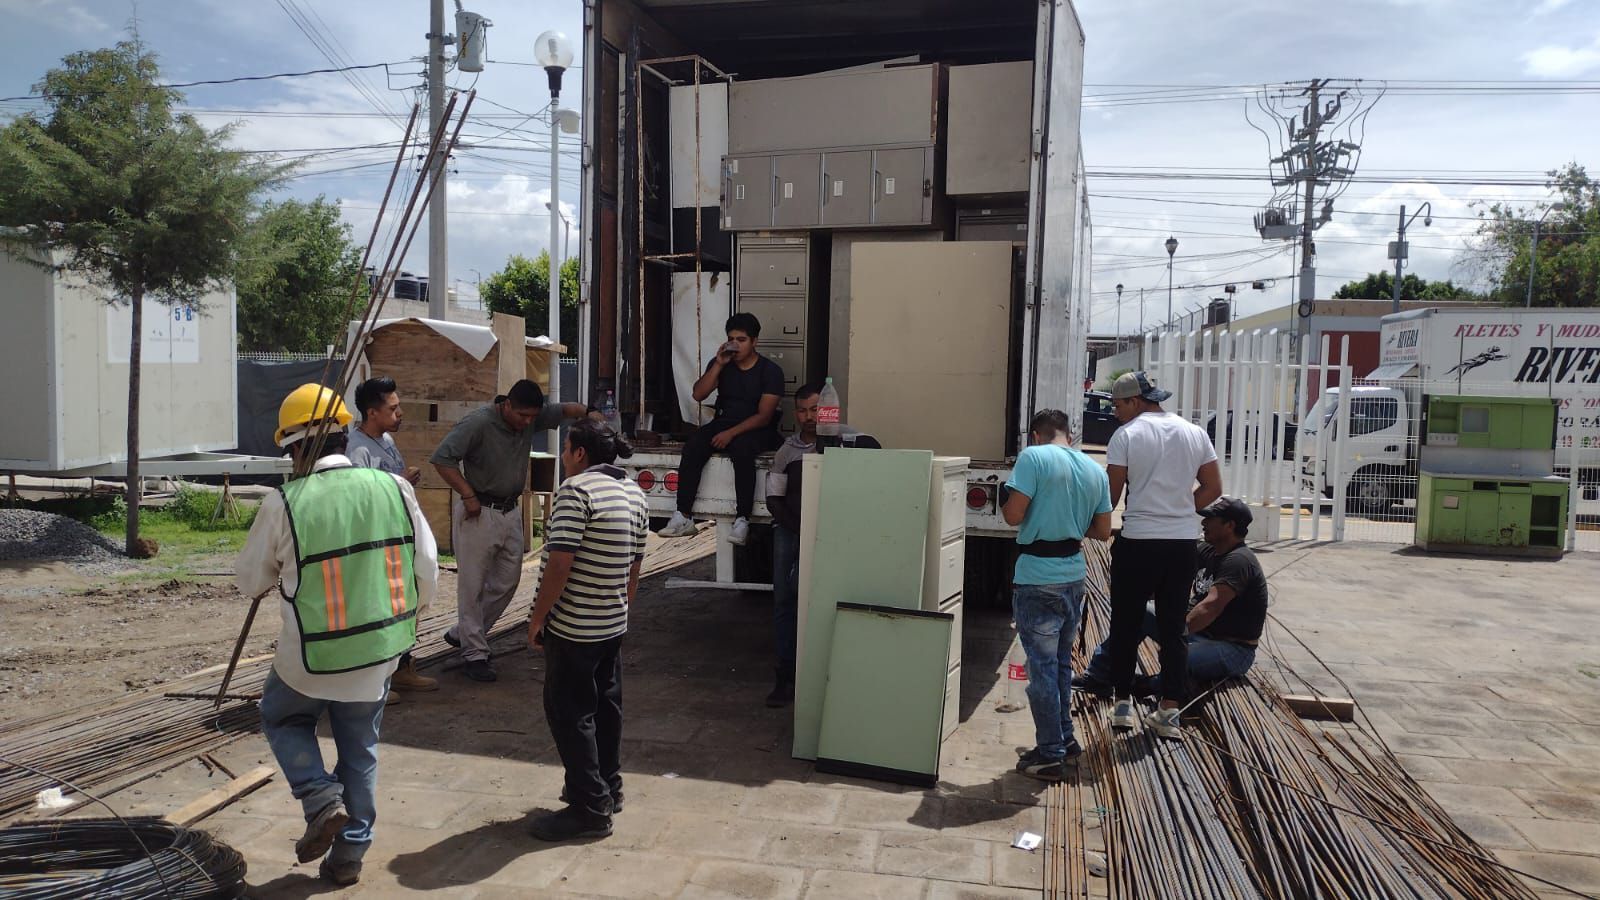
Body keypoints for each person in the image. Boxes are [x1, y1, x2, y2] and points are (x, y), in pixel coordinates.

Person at [237, 383, 438, 887]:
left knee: (281, 717)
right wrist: (398, 631)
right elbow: (428, 572)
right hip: (377, 655)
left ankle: (320, 798)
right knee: (360, 752)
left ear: (293, 448)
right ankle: (348, 858)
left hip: (308, 658)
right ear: (345, 432)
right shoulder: (395, 488)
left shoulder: (285, 502)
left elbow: (249, 582)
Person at [525, 421, 649, 842]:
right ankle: (607, 788)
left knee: (570, 713)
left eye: (565, 449)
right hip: (611, 623)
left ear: (579, 454)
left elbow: (560, 563)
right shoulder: (633, 492)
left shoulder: (576, 492)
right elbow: (635, 566)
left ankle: (589, 807)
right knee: (605, 709)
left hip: (575, 627)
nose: (563, 457)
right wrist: (620, 608)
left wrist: (538, 616)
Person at [430, 379, 596, 683]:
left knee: (508, 581)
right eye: (522, 416)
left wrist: (592, 412)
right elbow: (442, 458)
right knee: (472, 586)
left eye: (533, 417)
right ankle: (474, 653)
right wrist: (467, 495)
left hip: (510, 511)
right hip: (478, 510)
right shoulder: (478, 423)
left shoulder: (532, 417)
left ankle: (463, 633)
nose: (527, 423)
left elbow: (566, 410)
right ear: (507, 405)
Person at [1100, 371, 1222, 740]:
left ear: (1136, 401)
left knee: (1125, 624)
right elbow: (1214, 487)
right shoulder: (1194, 432)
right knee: (1174, 628)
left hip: (1137, 542)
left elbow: (1111, 495)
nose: (1116, 413)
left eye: (1119, 405)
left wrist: (1096, 524)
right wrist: (1183, 510)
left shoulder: (1126, 436)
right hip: (1181, 545)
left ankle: (1122, 706)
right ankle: (1169, 711)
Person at [1001, 409, 1113, 781]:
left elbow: (1013, 516)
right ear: (1070, 433)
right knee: (1062, 665)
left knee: (1043, 671)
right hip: (1073, 575)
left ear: (1035, 434)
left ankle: (1050, 754)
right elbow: (1102, 531)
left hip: (1038, 578)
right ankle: (1064, 739)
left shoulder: (1034, 457)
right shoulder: (1094, 469)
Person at [1076, 497, 1267, 699]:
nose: (1203, 524)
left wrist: (1175, 639)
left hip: (1231, 648)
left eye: (1211, 519)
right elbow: (1170, 574)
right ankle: (1098, 675)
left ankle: (1149, 685)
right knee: (1137, 612)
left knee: (1178, 658)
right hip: (1199, 633)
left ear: (1229, 526)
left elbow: (1210, 607)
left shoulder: (1239, 561)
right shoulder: (1208, 550)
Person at [657, 312, 783, 546]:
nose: (735, 344)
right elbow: (698, 394)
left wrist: (731, 434)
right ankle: (683, 515)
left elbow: (764, 416)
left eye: (742, 339)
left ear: (755, 341)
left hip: (757, 428)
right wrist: (718, 365)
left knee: (743, 450)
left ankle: (743, 519)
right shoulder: (721, 364)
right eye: (731, 338)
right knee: (694, 446)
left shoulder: (770, 371)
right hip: (724, 421)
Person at [348, 376, 435, 695]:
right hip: (377, 542)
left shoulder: (386, 441)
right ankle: (374, 682)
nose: (400, 414)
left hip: (399, 537)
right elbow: (360, 499)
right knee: (380, 609)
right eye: (393, 409)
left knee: (404, 604)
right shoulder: (357, 451)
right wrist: (398, 480)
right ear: (372, 413)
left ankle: (400, 667)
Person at [762, 384, 821, 708]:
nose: (808, 416)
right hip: (789, 532)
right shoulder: (788, 451)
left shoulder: (842, 445)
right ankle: (785, 678)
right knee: (785, 600)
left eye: (814, 409)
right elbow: (773, 498)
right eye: (802, 410)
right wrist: (797, 527)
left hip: (827, 535)